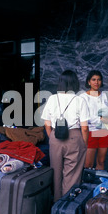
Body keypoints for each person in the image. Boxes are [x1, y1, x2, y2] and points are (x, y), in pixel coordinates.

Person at [41, 70, 90, 201]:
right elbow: (84, 127)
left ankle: (56, 203)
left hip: (55, 136)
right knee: (72, 173)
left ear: (60, 83)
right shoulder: (80, 100)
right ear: (75, 83)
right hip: (74, 138)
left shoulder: (52, 98)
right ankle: (67, 206)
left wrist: (52, 137)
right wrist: (84, 144)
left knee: (55, 171)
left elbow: (47, 123)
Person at [79, 70, 108, 170]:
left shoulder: (105, 96)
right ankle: (86, 185)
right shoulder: (83, 97)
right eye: (93, 80)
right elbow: (80, 117)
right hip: (90, 131)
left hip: (104, 131)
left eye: (99, 80)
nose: (96, 82)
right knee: (88, 164)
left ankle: (100, 184)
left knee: (101, 161)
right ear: (89, 82)